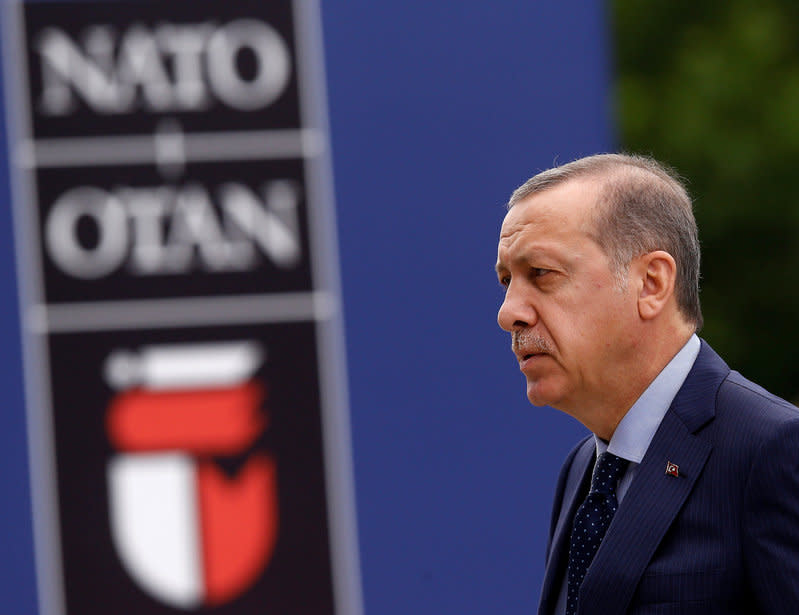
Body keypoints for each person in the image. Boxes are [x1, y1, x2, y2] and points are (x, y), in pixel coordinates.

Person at [495, 153, 799, 615]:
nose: (509, 313)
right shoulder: (582, 470)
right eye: (506, 281)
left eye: (541, 274)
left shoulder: (772, 448)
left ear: (652, 283)